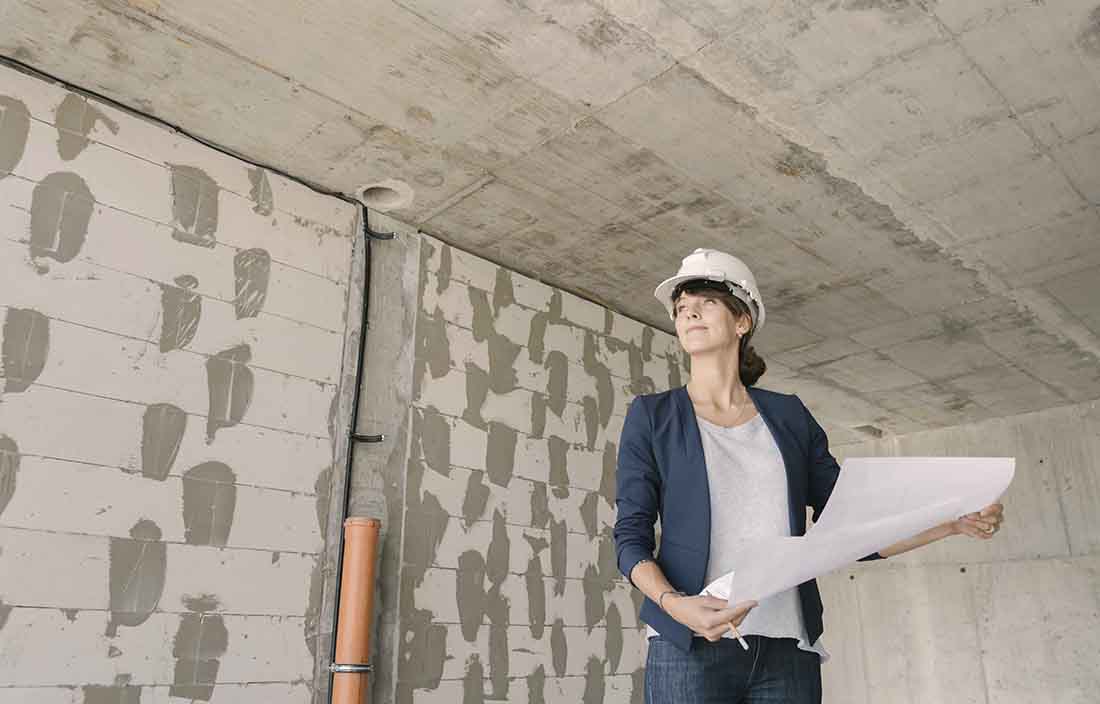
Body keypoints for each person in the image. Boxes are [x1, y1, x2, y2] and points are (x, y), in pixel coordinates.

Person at [613, 249, 1006, 704]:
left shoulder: (789, 417)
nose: (689, 313)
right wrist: (673, 605)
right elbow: (630, 536)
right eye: (681, 308)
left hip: (787, 648)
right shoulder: (653, 417)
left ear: (743, 321)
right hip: (688, 646)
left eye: (706, 302)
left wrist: (952, 521)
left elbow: (851, 526)